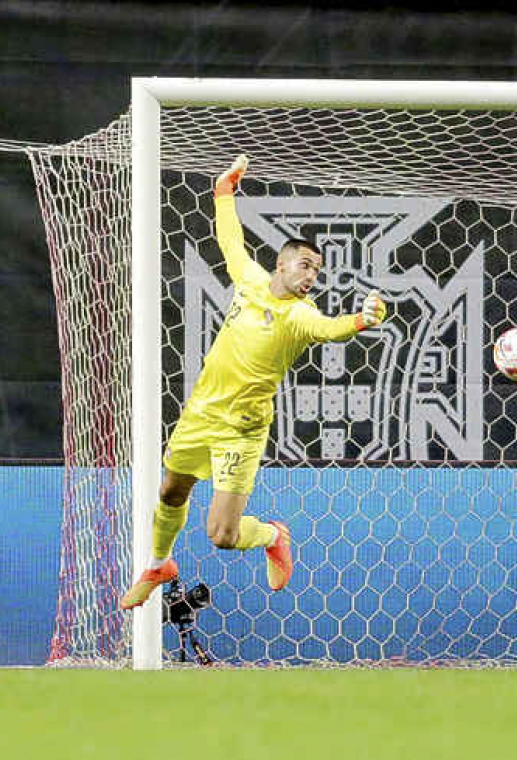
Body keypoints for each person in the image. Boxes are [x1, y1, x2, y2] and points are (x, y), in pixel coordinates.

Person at [120, 155, 388, 610]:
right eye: (305, 266)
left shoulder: (301, 317)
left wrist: (361, 320)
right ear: (281, 266)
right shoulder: (250, 280)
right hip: (202, 411)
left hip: (242, 428)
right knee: (170, 490)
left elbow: (330, 329)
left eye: (317, 271)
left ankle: (271, 535)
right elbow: (230, 241)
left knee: (222, 535)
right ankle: (160, 563)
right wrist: (224, 192)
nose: (311, 276)